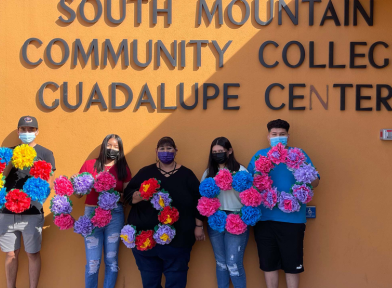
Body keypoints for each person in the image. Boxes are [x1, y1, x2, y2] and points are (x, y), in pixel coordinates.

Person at [247, 119, 320, 288]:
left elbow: (316, 182)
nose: (278, 138)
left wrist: (304, 172)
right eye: (274, 135)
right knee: (268, 264)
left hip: (293, 221)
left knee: (292, 266)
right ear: (268, 136)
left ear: (288, 136)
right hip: (265, 220)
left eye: (282, 134)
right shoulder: (260, 156)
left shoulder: (298, 154)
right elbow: (249, 185)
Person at [124, 136, 205, 288]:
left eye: (169, 149)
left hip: (179, 242)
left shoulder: (187, 174)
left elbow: (200, 201)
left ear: (176, 151)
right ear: (156, 151)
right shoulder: (145, 172)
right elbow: (128, 194)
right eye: (162, 149)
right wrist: (140, 194)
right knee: (150, 283)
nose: (165, 152)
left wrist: (199, 225)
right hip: (146, 242)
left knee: (176, 281)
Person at [0, 116, 56, 288]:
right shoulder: (8, 151)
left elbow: (49, 183)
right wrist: (10, 160)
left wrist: (37, 197)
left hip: (32, 213)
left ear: (37, 132)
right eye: (23, 129)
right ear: (18, 131)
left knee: (32, 253)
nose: (27, 133)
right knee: (11, 254)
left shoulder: (45, 153)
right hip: (7, 211)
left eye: (30, 130)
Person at [75, 134, 132, 288]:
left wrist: (111, 192)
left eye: (116, 147)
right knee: (93, 263)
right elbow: (79, 195)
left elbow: (127, 197)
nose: (111, 149)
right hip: (92, 215)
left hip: (115, 216)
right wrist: (77, 184)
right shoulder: (89, 165)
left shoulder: (123, 168)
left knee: (111, 262)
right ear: (103, 146)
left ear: (120, 150)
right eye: (109, 145)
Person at [200, 137, 250, 288]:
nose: (217, 154)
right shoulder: (209, 173)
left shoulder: (241, 171)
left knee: (233, 263)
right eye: (214, 152)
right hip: (216, 220)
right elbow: (203, 198)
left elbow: (251, 198)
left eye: (221, 151)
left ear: (229, 151)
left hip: (236, 219)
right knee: (221, 263)